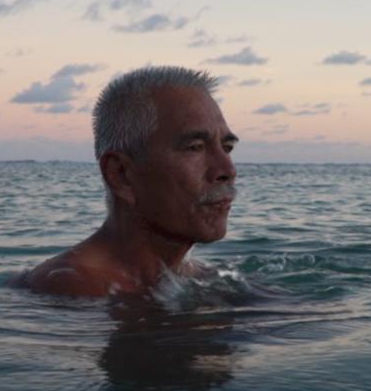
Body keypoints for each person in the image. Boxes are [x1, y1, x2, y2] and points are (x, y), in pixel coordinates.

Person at [25, 66, 238, 297]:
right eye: (195, 148)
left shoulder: (203, 280)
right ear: (121, 174)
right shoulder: (71, 287)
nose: (227, 170)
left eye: (227, 148)